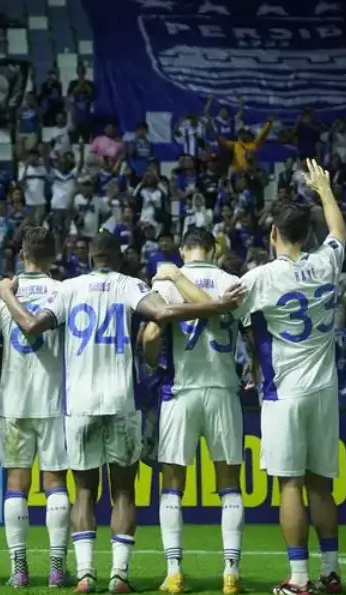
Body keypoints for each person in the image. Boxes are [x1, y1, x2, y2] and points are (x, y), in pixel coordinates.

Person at [0, 230, 243, 593]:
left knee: (83, 490)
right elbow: (164, 312)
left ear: (90, 258)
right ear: (120, 257)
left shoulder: (69, 288)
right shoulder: (130, 285)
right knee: (123, 491)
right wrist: (215, 306)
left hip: (79, 405)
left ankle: (84, 575)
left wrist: (5, 294)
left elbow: (31, 327)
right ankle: (119, 576)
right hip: (121, 401)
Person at [229, 160, 346, 595]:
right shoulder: (325, 264)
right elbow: (339, 234)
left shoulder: (262, 277)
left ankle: (298, 580)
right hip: (325, 390)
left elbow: (224, 309)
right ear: (306, 234)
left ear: (274, 235)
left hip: (285, 394)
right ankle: (332, 573)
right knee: (322, 485)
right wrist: (325, 190)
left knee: (290, 485)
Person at [138, 227, 246, 595]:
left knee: (172, 486)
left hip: (180, 392)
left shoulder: (167, 282)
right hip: (224, 391)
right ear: (214, 249)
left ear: (184, 250)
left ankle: (174, 572)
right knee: (229, 486)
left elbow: (151, 338)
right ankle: (230, 573)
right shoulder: (233, 280)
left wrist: (152, 364)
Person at [0, 226, 70, 587]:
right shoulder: (64, 291)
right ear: (53, 256)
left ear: (22, 255)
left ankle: (19, 570)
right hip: (53, 399)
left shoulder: (5, 294)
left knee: (16, 485)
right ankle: (55, 569)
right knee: (55, 484)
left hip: (13, 399)